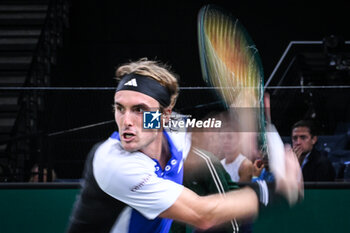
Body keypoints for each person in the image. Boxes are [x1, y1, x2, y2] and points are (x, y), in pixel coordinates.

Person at [66, 58, 303, 233]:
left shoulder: (173, 127)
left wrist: (245, 116)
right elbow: (203, 214)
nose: (126, 121)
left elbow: (208, 132)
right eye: (120, 108)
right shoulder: (115, 162)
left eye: (140, 110)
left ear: (165, 115)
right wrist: (274, 192)